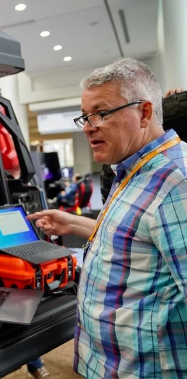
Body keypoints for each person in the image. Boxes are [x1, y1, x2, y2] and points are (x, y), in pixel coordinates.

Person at [27, 58, 187, 378]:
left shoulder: (177, 182)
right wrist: (72, 223)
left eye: (100, 113)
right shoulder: (129, 169)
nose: (88, 126)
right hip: (109, 365)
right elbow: (136, 237)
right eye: (85, 116)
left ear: (143, 112)